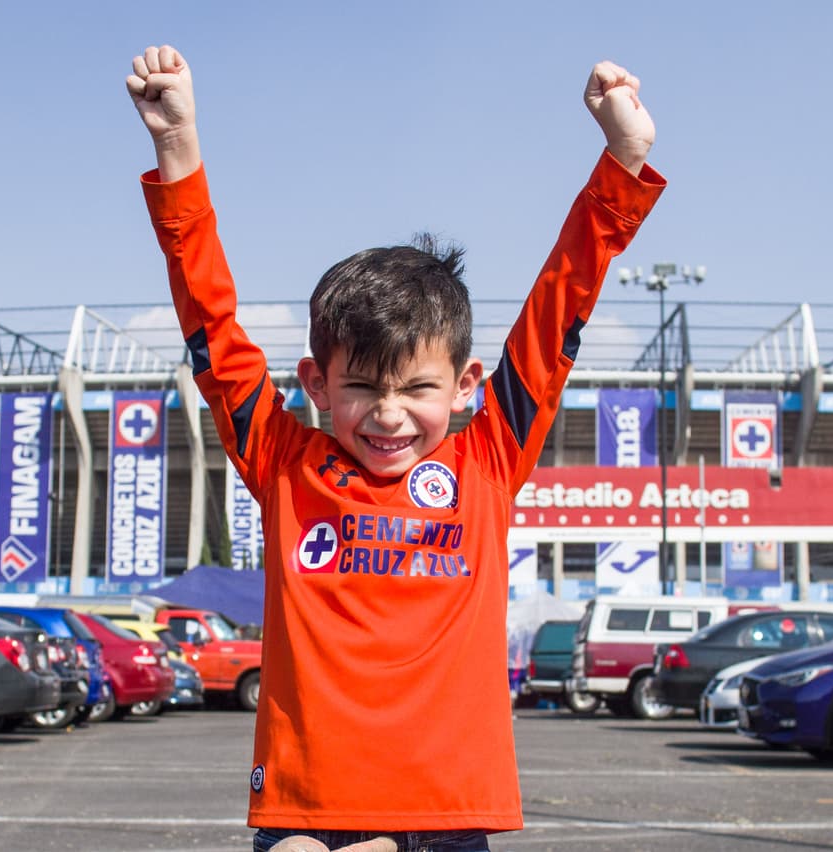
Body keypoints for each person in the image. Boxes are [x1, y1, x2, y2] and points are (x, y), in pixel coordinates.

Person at [127, 44, 664, 852]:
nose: (388, 416)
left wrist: (623, 163)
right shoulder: (283, 460)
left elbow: (562, 307)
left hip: (448, 815)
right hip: (312, 815)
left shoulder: (487, 459)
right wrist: (177, 151)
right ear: (315, 379)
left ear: (464, 383)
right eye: (361, 389)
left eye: (416, 389)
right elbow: (211, 323)